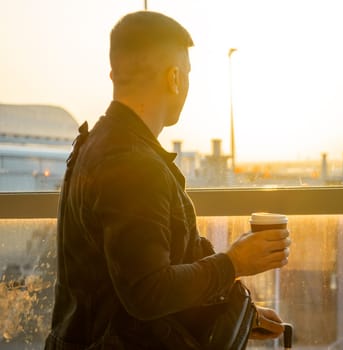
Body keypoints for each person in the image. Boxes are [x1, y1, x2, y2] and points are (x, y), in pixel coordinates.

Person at [45, 11, 291, 349]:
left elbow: (144, 271)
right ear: (174, 78)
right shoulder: (134, 165)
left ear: (115, 73)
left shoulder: (95, 143)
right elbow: (148, 292)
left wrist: (243, 314)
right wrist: (235, 262)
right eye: (187, 74)